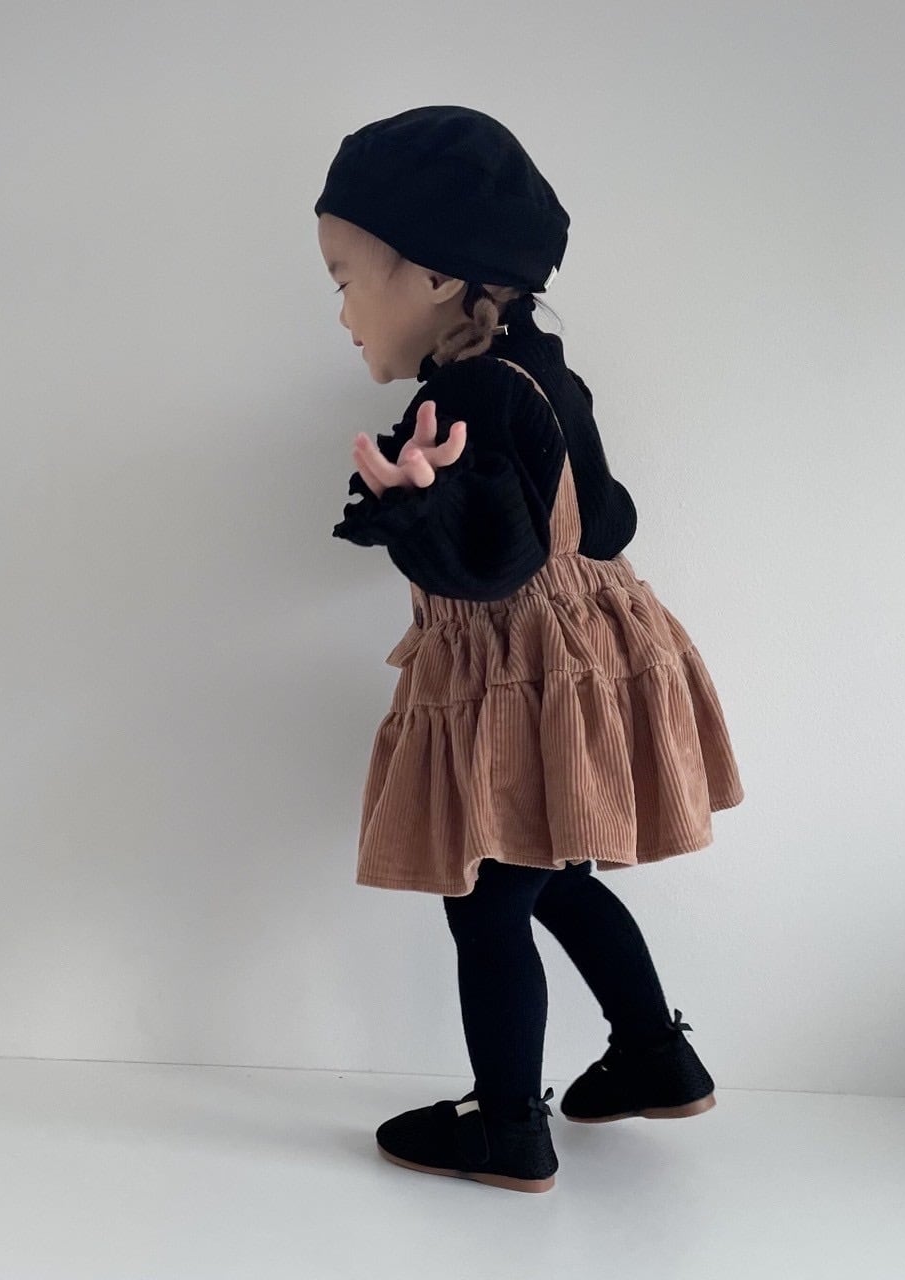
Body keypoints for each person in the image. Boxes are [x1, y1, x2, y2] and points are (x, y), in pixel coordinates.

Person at [314, 106, 746, 1194]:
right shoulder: (541, 369)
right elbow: (607, 519)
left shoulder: (464, 392)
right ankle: (653, 1053)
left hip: (525, 670)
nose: (341, 313)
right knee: (550, 875)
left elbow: (498, 562)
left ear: (433, 275)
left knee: (488, 897)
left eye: (344, 278)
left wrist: (418, 511)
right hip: (584, 654)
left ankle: (507, 1123)